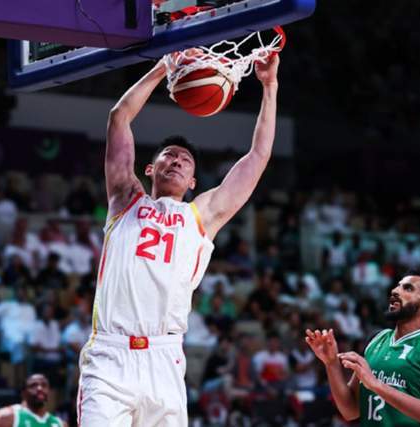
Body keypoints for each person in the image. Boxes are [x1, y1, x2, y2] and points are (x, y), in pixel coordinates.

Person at [77, 52, 280, 427]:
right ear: (149, 168)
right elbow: (119, 117)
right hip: (110, 355)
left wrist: (270, 86)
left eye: (185, 161)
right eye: (169, 155)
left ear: (193, 183)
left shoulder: (202, 215)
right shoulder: (125, 199)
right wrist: (163, 67)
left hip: (164, 356)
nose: (176, 161)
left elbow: (258, 156)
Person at [306, 272, 420, 426]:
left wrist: (376, 385)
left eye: (407, 288)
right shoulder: (376, 339)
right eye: (397, 286)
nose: (395, 291)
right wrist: (331, 363)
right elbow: (351, 410)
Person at [0, 373, 66, 427]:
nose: (40, 388)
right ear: (23, 393)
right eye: (33, 385)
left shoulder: (60, 423)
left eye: (44, 385)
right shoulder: (7, 416)